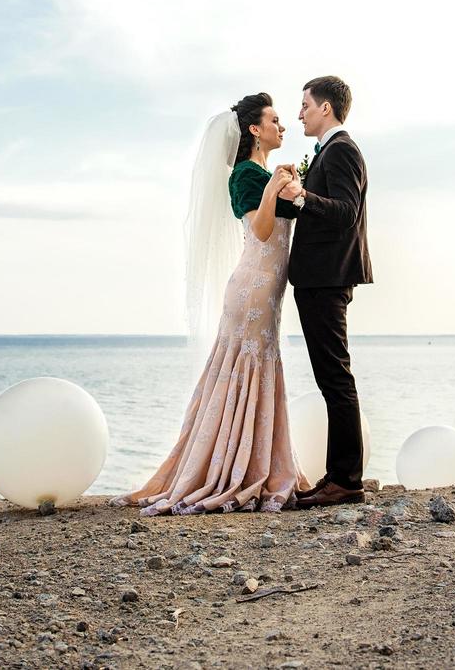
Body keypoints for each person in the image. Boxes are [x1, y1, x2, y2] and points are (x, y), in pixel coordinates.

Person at [112, 93, 311, 514]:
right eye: (276, 119)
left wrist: (290, 186)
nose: (283, 125)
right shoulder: (244, 175)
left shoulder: (264, 172)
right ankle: (228, 470)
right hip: (252, 286)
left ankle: (262, 461)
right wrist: (276, 186)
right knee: (245, 365)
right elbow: (259, 231)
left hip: (270, 287)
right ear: (255, 130)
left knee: (263, 366)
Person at [278, 75, 373, 509]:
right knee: (330, 377)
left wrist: (304, 196)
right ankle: (337, 476)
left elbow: (347, 213)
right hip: (319, 277)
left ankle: (347, 481)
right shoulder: (330, 152)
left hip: (327, 278)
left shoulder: (342, 150)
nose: (299, 113)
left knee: (336, 378)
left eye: (304, 105)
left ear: (326, 109)